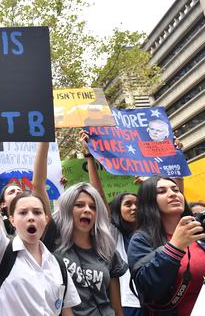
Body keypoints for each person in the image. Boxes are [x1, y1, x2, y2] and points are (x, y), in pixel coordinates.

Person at [0, 142, 80, 315]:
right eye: (23, 212)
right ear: (12, 219)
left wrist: (45, 138)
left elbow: (66, 311)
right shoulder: (2, 252)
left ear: (46, 219)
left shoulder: (58, 265)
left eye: (37, 212)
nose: (31, 217)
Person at [127, 177, 205, 315]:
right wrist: (175, 248)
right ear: (149, 201)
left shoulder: (199, 231)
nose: (173, 194)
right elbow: (148, 288)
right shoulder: (141, 239)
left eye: (176, 190)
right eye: (161, 191)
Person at [81, 130, 141, 315]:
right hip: (128, 303)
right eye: (128, 204)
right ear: (116, 210)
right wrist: (89, 156)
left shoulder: (149, 231)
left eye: (137, 204)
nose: (134, 208)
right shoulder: (113, 233)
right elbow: (98, 195)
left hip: (155, 301)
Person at [52, 182, 127, 316]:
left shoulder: (107, 251)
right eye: (79, 205)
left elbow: (116, 306)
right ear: (67, 208)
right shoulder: (52, 245)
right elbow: (38, 187)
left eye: (93, 207)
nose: (87, 210)